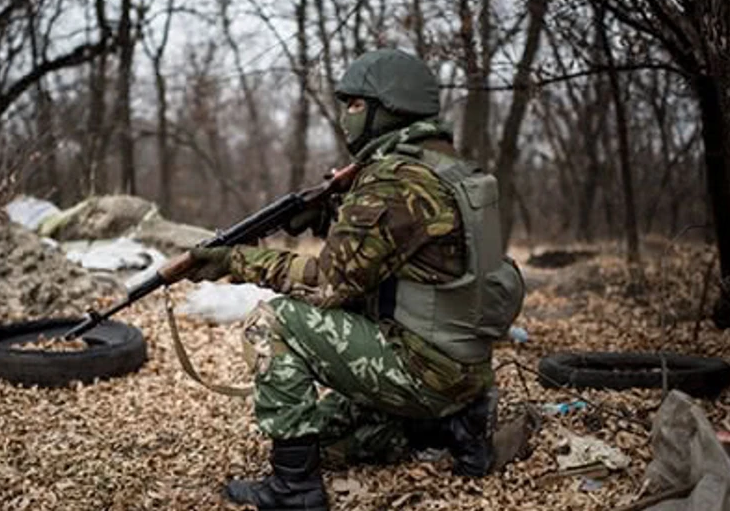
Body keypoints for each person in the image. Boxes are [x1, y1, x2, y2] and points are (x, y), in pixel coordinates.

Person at [186, 48, 525, 511]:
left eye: (354, 104)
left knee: (273, 322)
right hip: (465, 369)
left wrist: (236, 262)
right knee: (333, 436)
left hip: (423, 370)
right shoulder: (453, 170)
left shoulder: (394, 180)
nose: (346, 116)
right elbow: (392, 258)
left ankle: (293, 490)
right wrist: (329, 212)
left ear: (388, 108)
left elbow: (329, 283)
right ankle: (452, 427)